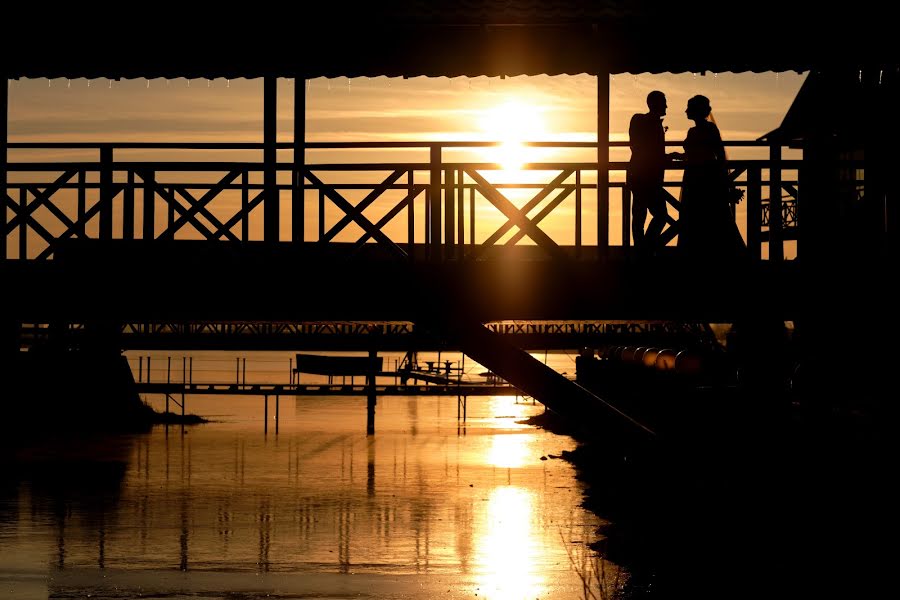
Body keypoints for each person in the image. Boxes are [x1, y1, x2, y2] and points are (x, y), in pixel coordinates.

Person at [677, 94, 746, 262]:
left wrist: (726, 182)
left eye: (689, 107)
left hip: (702, 179)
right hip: (698, 178)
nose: (686, 111)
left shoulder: (707, 130)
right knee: (704, 218)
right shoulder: (698, 130)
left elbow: (719, 155)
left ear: (696, 111)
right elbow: (696, 154)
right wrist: (680, 156)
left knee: (704, 217)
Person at [627, 90, 680, 254]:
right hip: (647, 177)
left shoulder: (639, 120)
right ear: (655, 104)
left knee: (640, 216)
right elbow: (647, 150)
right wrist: (664, 158)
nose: (666, 105)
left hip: (638, 175)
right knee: (659, 215)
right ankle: (646, 250)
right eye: (664, 102)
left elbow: (640, 148)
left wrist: (663, 157)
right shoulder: (646, 122)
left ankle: (642, 250)